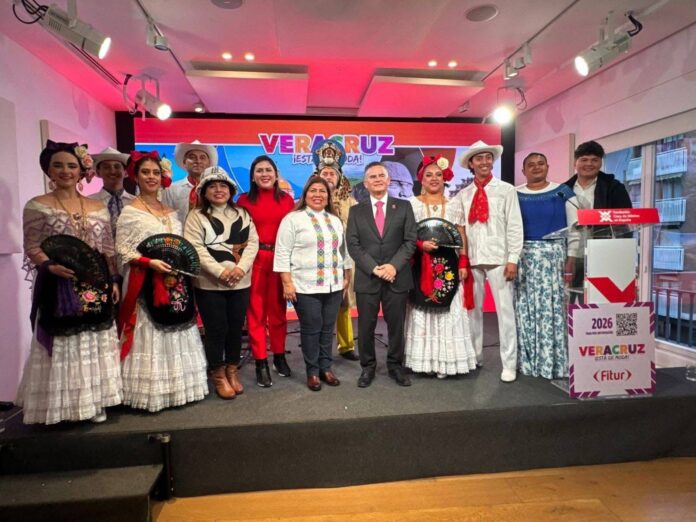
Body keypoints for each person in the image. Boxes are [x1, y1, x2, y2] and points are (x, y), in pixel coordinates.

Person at [17, 140, 122, 424]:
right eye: (59, 166)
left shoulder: (97, 207)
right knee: (65, 341)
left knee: (94, 340)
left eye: (72, 166)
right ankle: (62, 407)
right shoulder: (37, 205)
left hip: (95, 281)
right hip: (59, 283)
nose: (66, 171)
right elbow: (32, 246)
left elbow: (107, 248)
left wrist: (113, 279)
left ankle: (95, 401)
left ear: (81, 171)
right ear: (49, 170)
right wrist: (49, 265)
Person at [116, 151, 208, 412]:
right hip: (144, 280)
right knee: (150, 332)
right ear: (135, 176)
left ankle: (179, 388)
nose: (151, 177)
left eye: (156, 172)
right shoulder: (130, 212)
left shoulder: (171, 211)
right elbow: (122, 250)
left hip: (174, 279)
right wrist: (149, 262)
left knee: (177, 325)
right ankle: (150, 393)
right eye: (145, 172)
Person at [184, 166, 259, 399]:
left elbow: (253, 242)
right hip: (209, 284)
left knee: (235, 329)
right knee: (216, 330)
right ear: (204, 191)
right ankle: (218, 374)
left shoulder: (242, 213)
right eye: (213, 186)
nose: (219, 190)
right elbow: (195, 247)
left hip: (240, 282)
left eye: (223, 186)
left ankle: (232, 370)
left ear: (231, 190)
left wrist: (240, 268)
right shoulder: (196, 216)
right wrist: (219, 272)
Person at [453, 141, 523, 383]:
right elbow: (459, 229)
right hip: (473, 259)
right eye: (479, 158)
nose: (484, 162)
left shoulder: (506, 190)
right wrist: (462, 260)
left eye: (488, 157)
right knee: (473, 312)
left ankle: (509, 363)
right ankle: (475, 356)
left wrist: (513, 259)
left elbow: (515, 226)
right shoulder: (463, 194)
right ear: (471, 164)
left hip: (499, 259)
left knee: (505, 313)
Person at [275, 176, 352, 391]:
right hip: (304, 285)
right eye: (313, 190)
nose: (318, 195)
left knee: (327, 328)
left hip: (333, 284)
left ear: (328, 196)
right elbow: (282, 252)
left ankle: (326, 368)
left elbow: (343, 251)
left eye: (322, 191)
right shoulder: (293, 219)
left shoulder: (335, 220)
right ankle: (312, 372)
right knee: (311, 329)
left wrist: (346, 276)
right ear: (305, 194)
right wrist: (287, 282)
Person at [405, 155, 478, 378]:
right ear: (422, 179)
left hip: (449, 264)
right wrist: (420, 245)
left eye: (438, 174)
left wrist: (463, 261)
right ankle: (424, 361)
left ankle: (446, 363)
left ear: (445, 177)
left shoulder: (454, 204)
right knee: (421, 308)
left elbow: (461, 234)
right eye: (429, 175)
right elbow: (406, 235)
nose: (434, 178)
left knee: (449, 311)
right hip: (419, 263)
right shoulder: (411, 204)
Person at [346, 161, 417, 387]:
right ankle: (368, 367)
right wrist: (373, 268)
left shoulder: (404, 207)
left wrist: (393, 266)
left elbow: (410, 241)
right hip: (368, 277)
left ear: (388, 180)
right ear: (365, 183)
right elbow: (353, 244)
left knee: (396, 325)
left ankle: (395, 366)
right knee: (366, 326)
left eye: (381, 176)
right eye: (372, 177)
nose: (377, 179)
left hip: (397, 276)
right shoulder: (356, 211)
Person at [515, 153, 580, 379]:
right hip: (524, 257)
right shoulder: (515, 194)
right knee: (525, 309)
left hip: (554, 257)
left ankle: (554, 362)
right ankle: (528, 362)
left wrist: (571, 257)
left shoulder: (563, 192)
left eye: (540, 164)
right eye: (531, 165)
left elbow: (574, 229)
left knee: (553, 308)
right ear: (523, 170)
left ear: (548, 166)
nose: (536, 168)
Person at [237, 155, 295, 387]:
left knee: (278, 312)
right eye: (259, 170)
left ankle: (279, 356)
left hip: (280, 261)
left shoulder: (287, 201)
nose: (264, 174)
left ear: (276, 174)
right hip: (254, 260)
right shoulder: (243, 200)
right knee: (256, 313)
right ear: (252, 176)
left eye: (268, 170)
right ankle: (261, 361)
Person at [563, 140, 633, 300]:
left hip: (603, 252)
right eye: (584, 160)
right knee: (570, 299)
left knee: (598, 299)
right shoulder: (563, 189)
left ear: (601, 162)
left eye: (594, 160)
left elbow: (625, 221)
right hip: (572, 254)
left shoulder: (614, 187)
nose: (589, 164)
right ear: (575, 162)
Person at [314, 139, 359, 362]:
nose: (329, 176)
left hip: (345, 259)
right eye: (325, 173)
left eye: (332, 173)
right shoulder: (310, 201)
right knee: (317, 304)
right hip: (317, 259)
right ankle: (316, 345)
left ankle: (346, 345)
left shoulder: (352, 203)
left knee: (343, 301)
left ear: (340, 177)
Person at [162, 140, 218, 224]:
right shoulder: (171, 189)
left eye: (202, 158)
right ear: (184, 162)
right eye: (192, 157)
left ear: (209, 163)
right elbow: (166, 219)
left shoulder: (218, 190)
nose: (198, 161)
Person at [89, 146, 134, 235]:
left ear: (125, 172)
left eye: (117, 167)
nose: (112, 171)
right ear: (98, 172)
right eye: (106, 167)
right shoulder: (89, 202)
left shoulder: (135, 202)